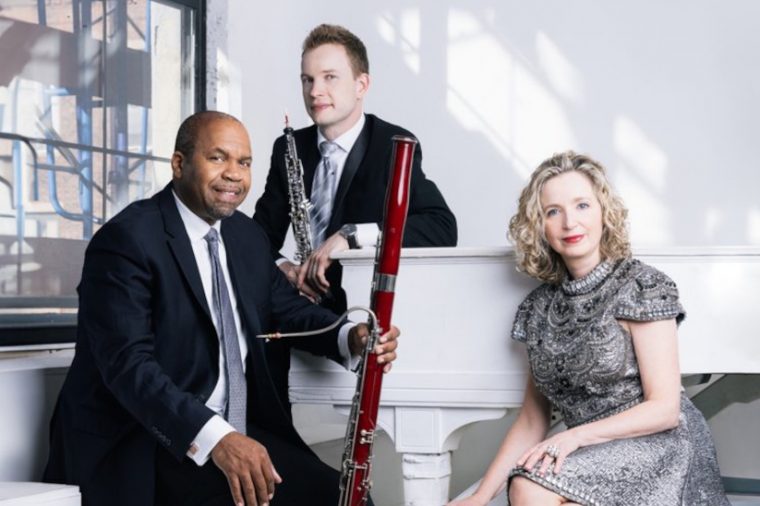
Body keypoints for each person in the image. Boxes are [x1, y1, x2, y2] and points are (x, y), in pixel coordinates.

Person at [43, 111, 399, 506]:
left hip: (228, 433)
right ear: (179, 164)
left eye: (244, 162)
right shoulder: (126, 240)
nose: (234, 174)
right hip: (147, 442)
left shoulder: (245, 236)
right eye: (217, 158)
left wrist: (351, 335)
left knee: (345, 498)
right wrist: (218, 439)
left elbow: (288, 310)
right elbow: (129, 368)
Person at [449, 151, 728, 505]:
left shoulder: (642, 286)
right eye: (553, 211)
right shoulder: (538, 309)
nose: (570, 222)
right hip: (590, 453)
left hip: (660, 446)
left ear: (603, 212)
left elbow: (664, 409)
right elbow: (533, 421)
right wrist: (480, 496)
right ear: (539, 226)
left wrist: (574, 437)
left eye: (582, 205)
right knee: (529, 486)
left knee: (529, 486)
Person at [253, 23, 456, 410]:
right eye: (307, 79)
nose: (315, 91)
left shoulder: (394, 145)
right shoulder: (288, 147)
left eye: (330, 77)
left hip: (361, 314)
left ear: (362, 84)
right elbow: (258, 236)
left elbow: (441, 227)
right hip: (297, 312)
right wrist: (285, 268)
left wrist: (349, 236)